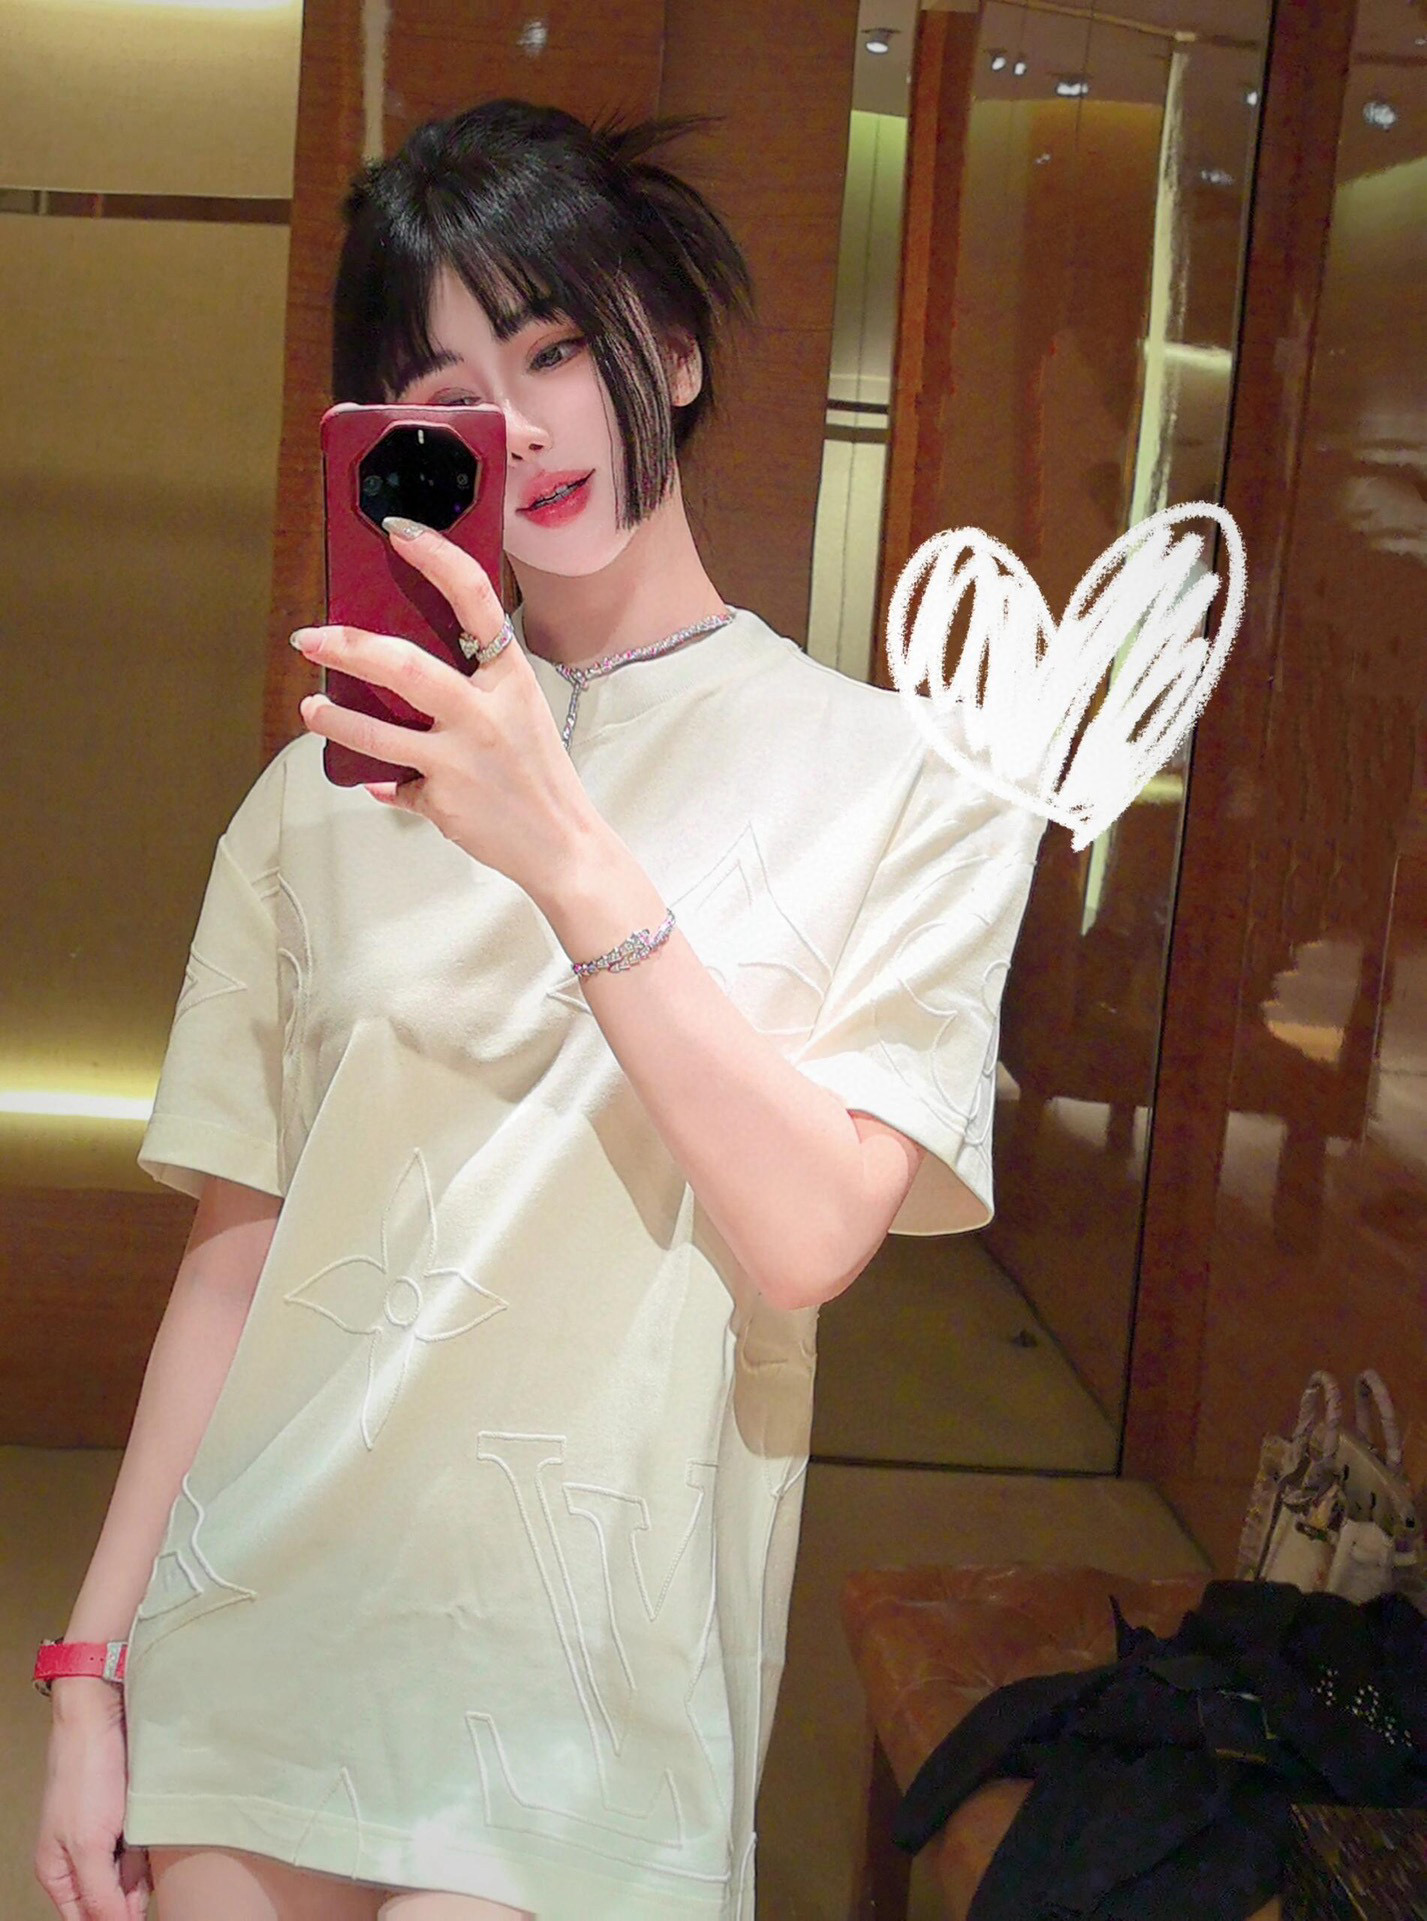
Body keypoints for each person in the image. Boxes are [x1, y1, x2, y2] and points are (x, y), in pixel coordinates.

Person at [33, 98, 1043, 1921]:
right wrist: (92, 1668)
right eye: (449, 390)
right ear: (394, 450)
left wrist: (566, 853)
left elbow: (813, 1232)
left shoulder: (906, 784)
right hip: (264, 1634)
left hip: (597, 1695)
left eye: (557, 346)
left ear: (674, 345)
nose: (522, 423)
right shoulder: (320, 795)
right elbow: (234, 1265)